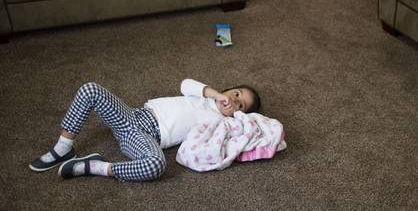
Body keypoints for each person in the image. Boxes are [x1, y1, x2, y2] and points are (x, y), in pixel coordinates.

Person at [29, 79, 261, 182]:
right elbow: (185, 84)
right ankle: (64, 147)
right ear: (229, 88)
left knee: (156, 165)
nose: (233, 100)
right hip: (133, 115)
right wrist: (216, 94)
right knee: (90, 89)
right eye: (236, 93)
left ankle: (96, 166)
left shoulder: (221, 122)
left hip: (143, 137)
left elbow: (226, 140)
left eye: (240, 105)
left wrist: (245, 124)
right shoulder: (203, 93)